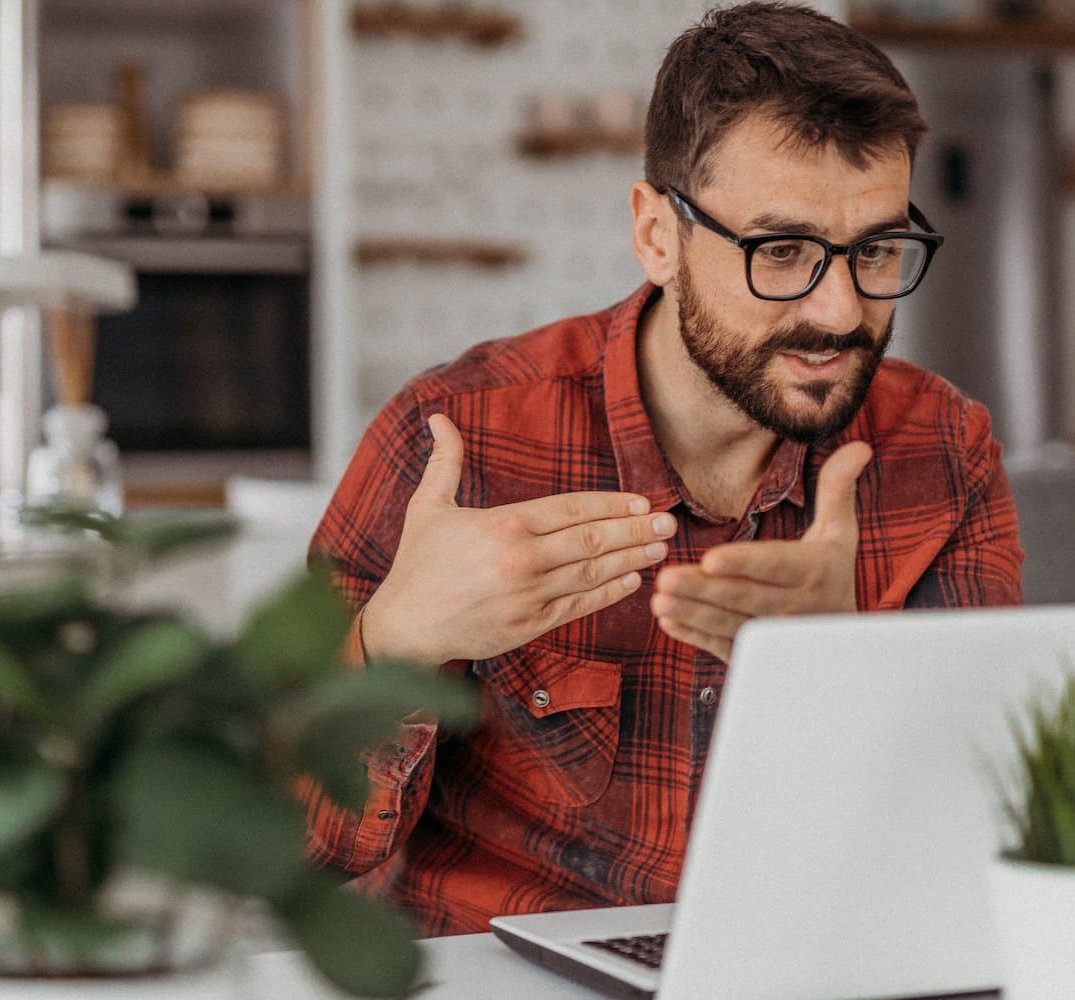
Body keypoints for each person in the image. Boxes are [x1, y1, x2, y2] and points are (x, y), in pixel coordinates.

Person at [305, 1, 1024, 937]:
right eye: (784, 252)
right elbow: (279, 847)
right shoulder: (455, 440)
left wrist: (851, 672)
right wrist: (396, 640)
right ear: (657, 236)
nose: (843, 312)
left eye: (877, 249)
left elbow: (988, 830)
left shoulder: (942, 449)